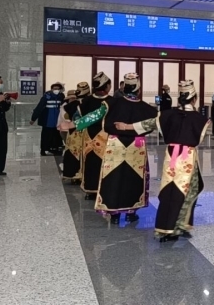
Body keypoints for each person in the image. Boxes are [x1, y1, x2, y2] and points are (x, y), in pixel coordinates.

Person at [114, 80, 210, 241]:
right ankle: (177, 226)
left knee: (169, 191)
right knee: (187, 191)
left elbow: (148, 124)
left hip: (171, 156)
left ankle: (166, 228)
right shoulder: (200, 119)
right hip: (187, 158)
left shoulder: (167, 115)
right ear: (194, 99)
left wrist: (126, 126)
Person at [64, 73, 157, 223]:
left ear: (124, 88)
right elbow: (155, 123)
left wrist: (72, 124)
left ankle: (114, 214)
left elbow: (94, 116)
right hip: (136, 147)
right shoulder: (147, 108)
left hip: (115, 144)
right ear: (138, 89)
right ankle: (131, 211)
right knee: (133, 177)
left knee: (114, 177)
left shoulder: (111, 104)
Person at [76, 72, 113, 199]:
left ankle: (90, 190)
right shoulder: (112, 101)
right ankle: (104, 189)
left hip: (88, 135)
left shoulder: (86, 101)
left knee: (90, 162)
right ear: (107, 86)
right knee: (105, 163)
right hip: (105, 136)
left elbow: (79, 117)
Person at [61, 82, 90, 182]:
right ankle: (82, 174)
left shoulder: (71, 105)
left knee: (72, 152)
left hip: (73, 133)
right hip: (86, 132)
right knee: (84, 153)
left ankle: (71, 174)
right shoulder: (91, 104)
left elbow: (66, 117)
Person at [30, 82, 66, 156]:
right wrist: (33, 118)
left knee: (56, 136)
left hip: (57, 122)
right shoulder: (46, 97)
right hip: (47, 121)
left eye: (58, 89)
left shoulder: (61, 97)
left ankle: (55, 149)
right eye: (54, 88)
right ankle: (44, 150)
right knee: (46, 136)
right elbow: (39, 108)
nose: (56, 90)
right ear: (51, 89)